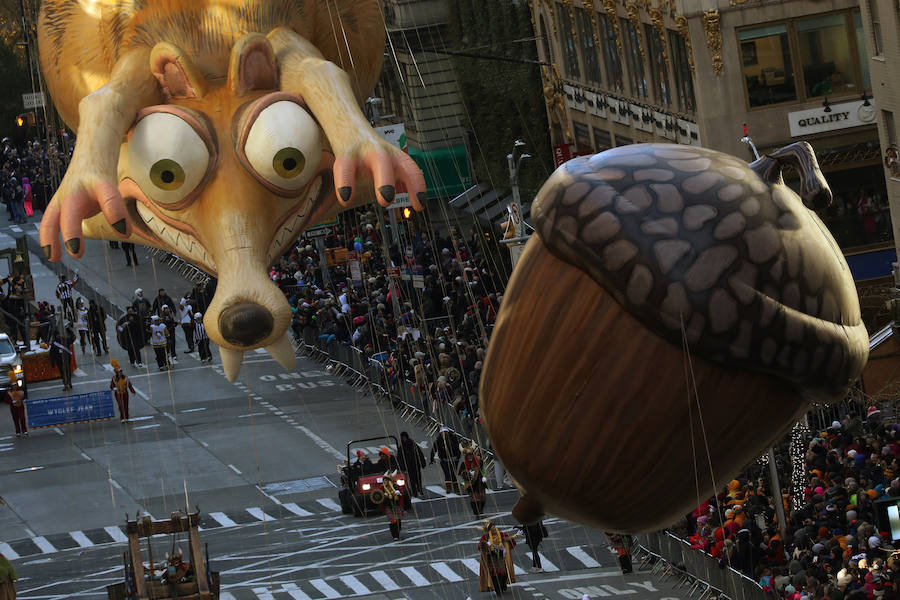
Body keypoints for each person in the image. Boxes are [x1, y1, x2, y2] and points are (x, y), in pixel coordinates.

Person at [478, 520, 517, 595]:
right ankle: (498, 590)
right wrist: (486, 545)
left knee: (504, 574)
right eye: (492, 528)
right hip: (491, 558)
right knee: (494, 575)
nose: (494, 529)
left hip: (501, 556)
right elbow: (480, 546)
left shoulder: (501, 534)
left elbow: (508, 539)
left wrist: (515, 536)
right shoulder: (485, 537)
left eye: (494, 527)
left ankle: (503, 584)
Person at [459, 442, 488, 517]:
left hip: (480, 480)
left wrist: (484, 476)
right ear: (466, 456)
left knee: (482, 496)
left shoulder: (479, 461)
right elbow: (461, 473)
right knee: (474, 497)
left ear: (473, 454)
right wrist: (466, 474)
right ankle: (476, 511)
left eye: (471, 455)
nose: (470, 457)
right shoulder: (464, 464)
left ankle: (481, 510)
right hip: (471, 483)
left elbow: (483, 469)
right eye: (468, 455)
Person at [430, 426, 461, 493]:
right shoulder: (439, 440)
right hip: (444, 460)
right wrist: (431, 458)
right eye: (442, 432)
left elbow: (458, 447)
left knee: (453, 473)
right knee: (447, 473)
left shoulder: (453, 438)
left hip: (454, 459)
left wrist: (458, 456)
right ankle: (448, 487)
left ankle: (456, 487)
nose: (444, 433)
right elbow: (434, 449)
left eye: (445, 432)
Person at [398, 431, 426, 497]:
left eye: (405, 437)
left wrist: (422, 462)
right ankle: (414, 492)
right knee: (411, 479)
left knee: (418, 477)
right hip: (408, 466)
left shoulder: (413, 444)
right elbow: (400, 458)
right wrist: (402, 467)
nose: (404, 439)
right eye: (403, 438)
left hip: (416, 464)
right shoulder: (401, 447)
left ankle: (420, 489)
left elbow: (419, 453)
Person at [49, 324, 75, 391]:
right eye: (57, 335)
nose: (58, 336)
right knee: (63, 373)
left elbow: (73, 338)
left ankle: (69, 382)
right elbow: (52, 353)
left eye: (59, 334)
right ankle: (65, 384)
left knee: (68, 371)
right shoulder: (54, 344)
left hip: (66, 358)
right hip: (59, 360)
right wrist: (52, 362)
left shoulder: (65, 340)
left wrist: (69, 330)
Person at [380, 472, 405, 541]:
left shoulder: (396, 487)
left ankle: (398, 531)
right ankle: (395, 536)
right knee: (392, 521)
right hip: (388, 506)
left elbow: (401, 495)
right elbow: (378, 497)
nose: (385, 482)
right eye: (384, 480)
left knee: (398, 520)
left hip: (397, 506)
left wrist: (398, 493)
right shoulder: (382, 488)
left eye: (386, 480)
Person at [3, 373, 26, 438]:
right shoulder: (9, 393)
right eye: (13, 385)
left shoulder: (21, 391)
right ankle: (18, 432)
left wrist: (23, 400)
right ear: (11, 386)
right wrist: (11, 401)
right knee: (16, 419)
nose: (15, 386)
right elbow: (6, 400)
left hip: (20, 406)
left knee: (22, 418)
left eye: (15, 385)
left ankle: (24, 431)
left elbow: (24, 397)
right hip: (13, 407)